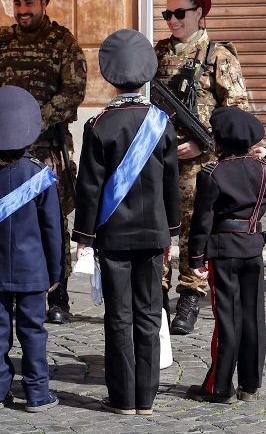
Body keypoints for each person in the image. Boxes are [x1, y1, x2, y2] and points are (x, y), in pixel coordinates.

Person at [72, 29, 181, 415]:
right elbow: (171, 185)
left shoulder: (99, 125)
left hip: (113, 237)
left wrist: (84, 237)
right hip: (153, 235)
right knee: (149, 314)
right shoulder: (162, 123)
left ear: (110, 77)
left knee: (118, 317)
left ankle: (122, 399)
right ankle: (146, 399)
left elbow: (89, 188)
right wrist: (172, 235)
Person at [0, 0, 87, 324]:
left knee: (53, 221)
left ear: (44, 3)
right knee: (7, 218)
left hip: (48, 151)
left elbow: (74, 90)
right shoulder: (2, 44)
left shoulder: (63, 43)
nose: (22, 10)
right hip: (7, 153)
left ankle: (58, 294)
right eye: (17, 3)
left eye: (29, 3)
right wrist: (1, 125)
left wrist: (34, 122)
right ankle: (9, 288)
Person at [154, 0, 250, 335]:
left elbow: (238, 111)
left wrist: (204, 143)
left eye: (180, 13)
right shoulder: (157, 52)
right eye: (167, 14)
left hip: (201, 162)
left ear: (199, 13)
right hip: (159, 159)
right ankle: (156, 295)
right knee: (158, 224)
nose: (173, 20)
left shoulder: (218, 56)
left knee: (195, 228)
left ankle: (190, 296)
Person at [186, 106, 266, 403]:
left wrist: (195, 258)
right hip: (252, 249)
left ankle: (220, 387)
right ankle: (250, 385)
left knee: (227, 319)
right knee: (253, 318)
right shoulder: (264, 169)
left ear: (219, 140)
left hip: (223, 252)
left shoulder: (212, 173)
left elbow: (202, 221)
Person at [0, 85, 63, 412]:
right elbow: (52, 230)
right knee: (33, 331)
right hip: (33, 271)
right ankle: (37, 393)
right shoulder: (40, 175)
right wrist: (55, 271)